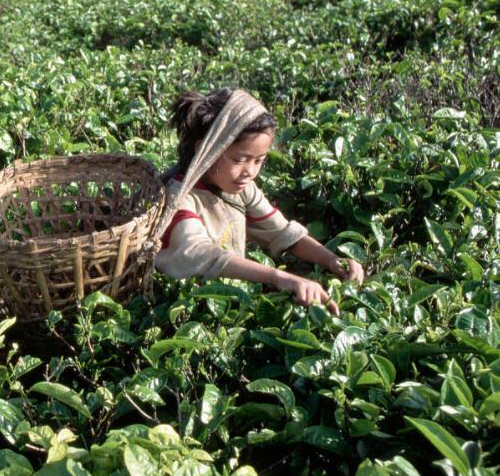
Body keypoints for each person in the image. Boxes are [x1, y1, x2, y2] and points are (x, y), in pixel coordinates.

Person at [154, 88, 365, 315]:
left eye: (258, 161)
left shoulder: (239, 188)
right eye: (240, 159)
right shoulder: (180, 197)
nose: (250, 171)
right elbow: (199, 253)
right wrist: (279, 277)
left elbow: (282, 233)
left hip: (229, 308)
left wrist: (333, 261)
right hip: (183, 312)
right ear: (205, 149)